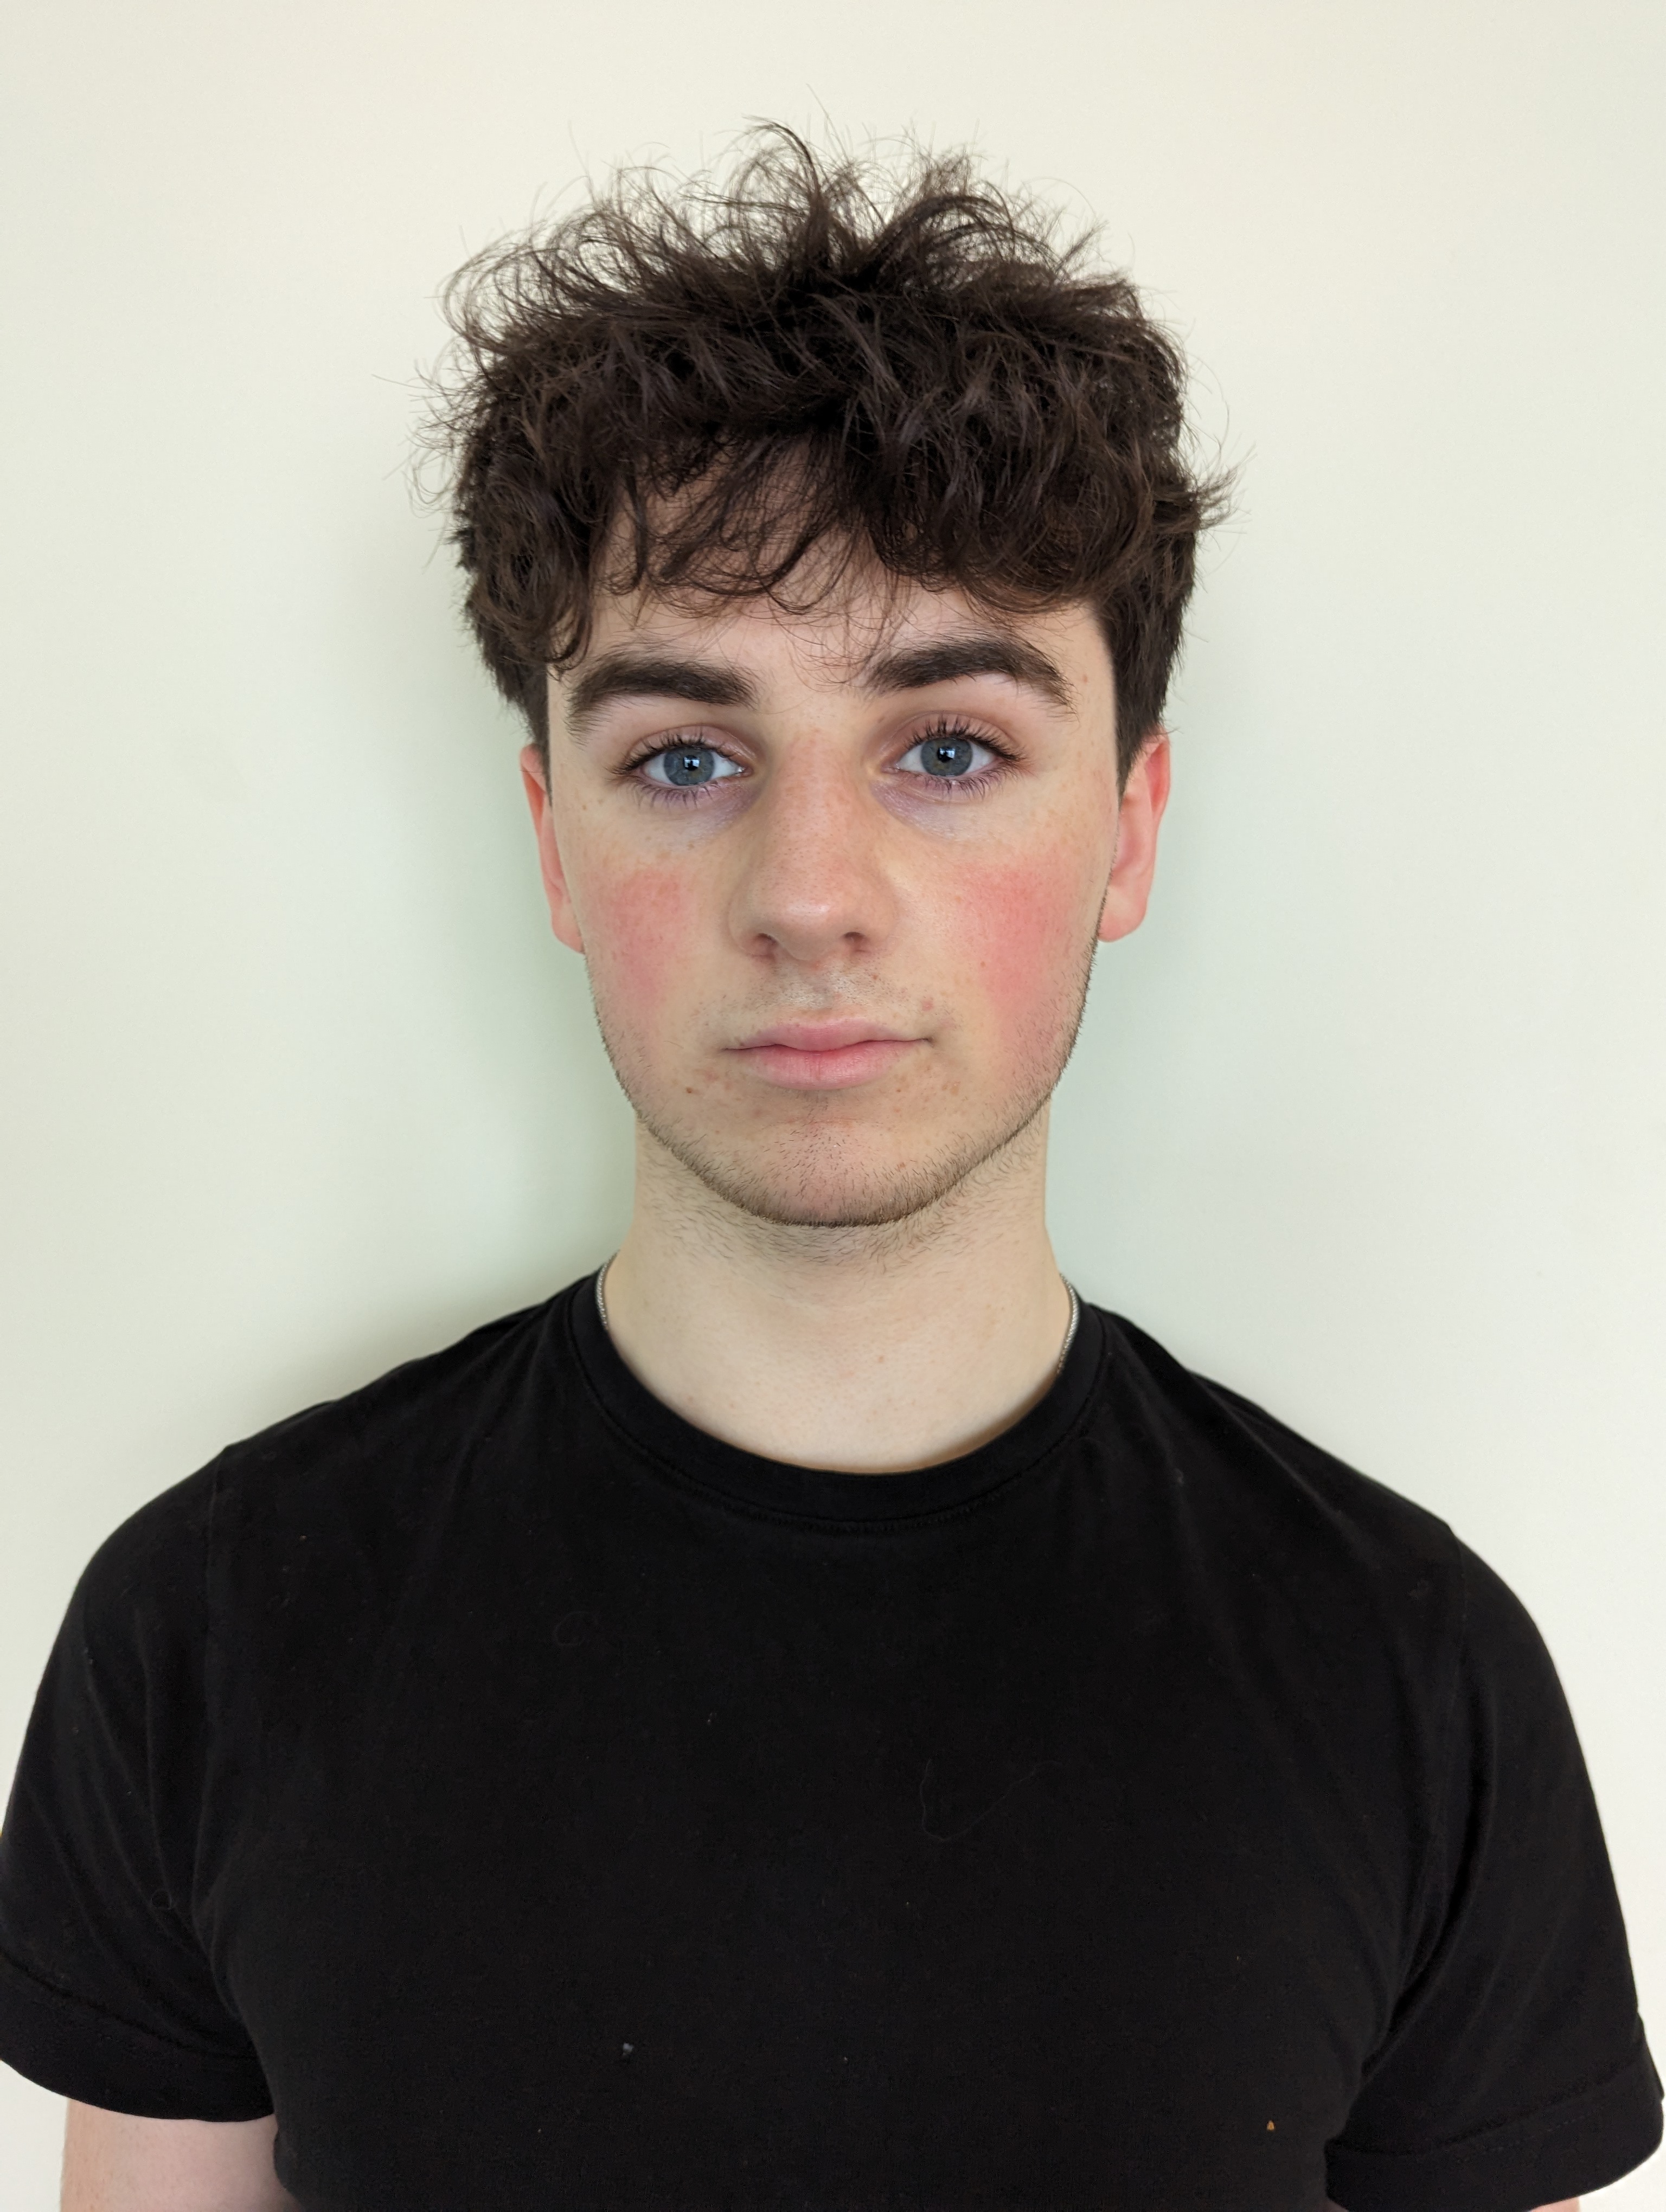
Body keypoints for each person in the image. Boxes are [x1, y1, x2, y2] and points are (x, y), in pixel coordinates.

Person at [0, 130, 1657, 2212]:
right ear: (553, 842)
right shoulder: (207, 1635)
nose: (809, 894)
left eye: (949, 749)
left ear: (1130, 827)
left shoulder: (1419, 1683)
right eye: (685, 757)